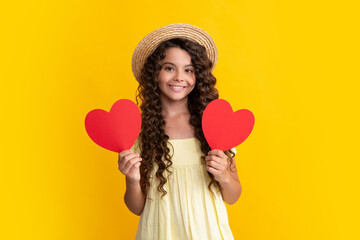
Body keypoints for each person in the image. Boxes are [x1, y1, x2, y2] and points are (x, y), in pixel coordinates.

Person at [118, 23, 242, 240]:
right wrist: (132, 179)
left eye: (188, 70)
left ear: (198, 76)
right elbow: (136, 207)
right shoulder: (140, 130)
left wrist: (223, 175)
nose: (179, 77)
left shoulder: (213, 124)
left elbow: (233, 196)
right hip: (159, 232)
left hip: (207, 233)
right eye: (169, 68)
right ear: (154, 73)